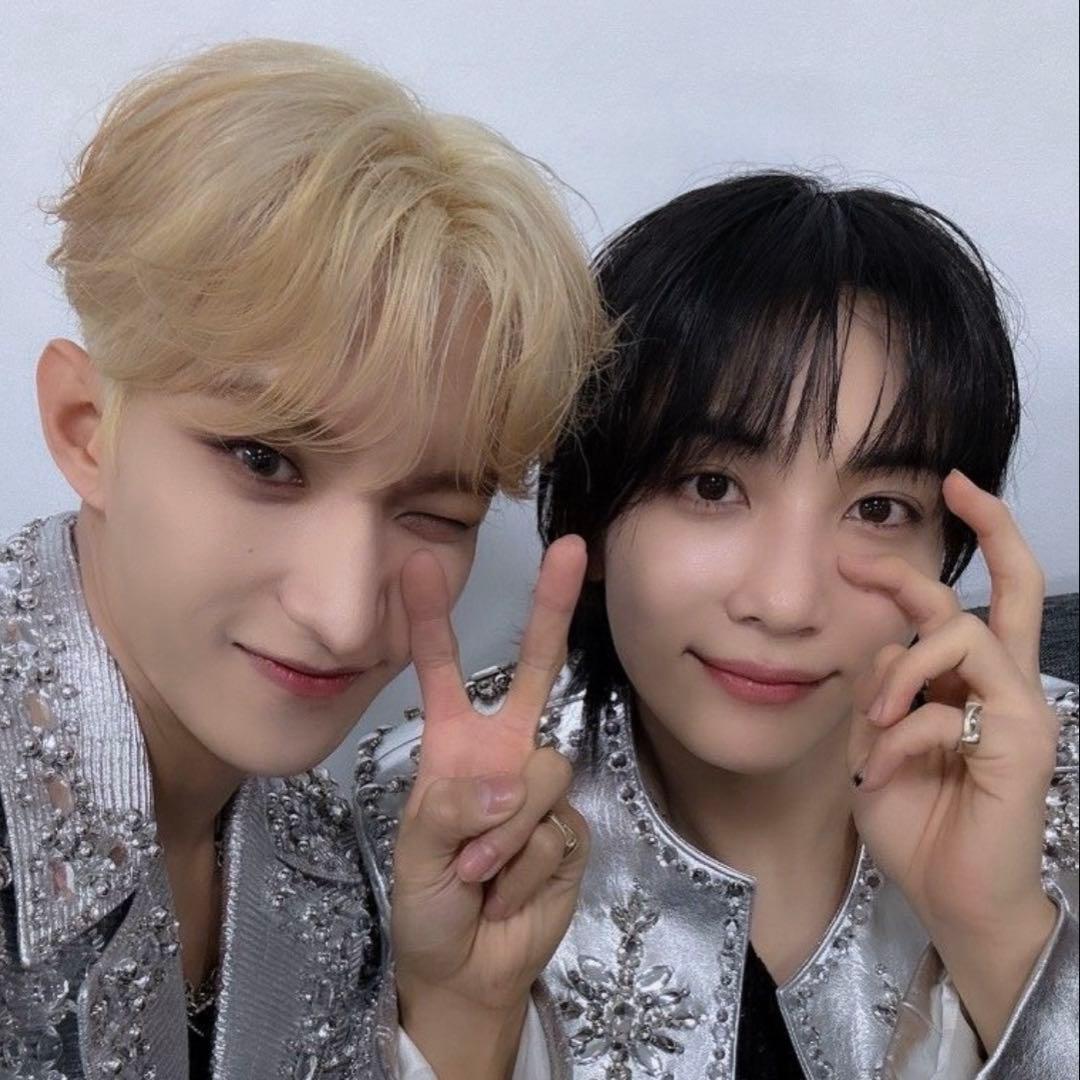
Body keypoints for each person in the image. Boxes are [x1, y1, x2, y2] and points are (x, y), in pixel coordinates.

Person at [359, 172, 1079, 1078]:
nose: (785, 602)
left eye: (879, 508)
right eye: (712, 487)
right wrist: (462, 1019)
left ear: (950, 547)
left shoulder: (1054, 772)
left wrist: (999, 934)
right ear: (593, 509)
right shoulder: (434, 814)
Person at [0, 38, 608, 1079]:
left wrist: (460, 1006)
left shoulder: (327, 860)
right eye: (264, 461)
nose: (341, 611)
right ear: (85, 430)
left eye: (436, 512)